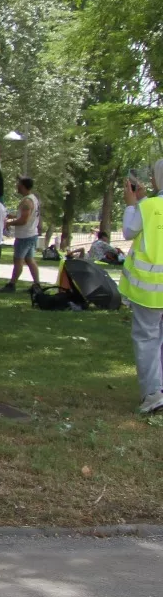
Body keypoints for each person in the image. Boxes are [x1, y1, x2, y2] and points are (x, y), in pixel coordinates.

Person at [119, 161, 163, 414]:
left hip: (150, 290)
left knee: (147, 338)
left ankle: (152, 394)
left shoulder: (148, 207)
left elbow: (128, 231)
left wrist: (131, 204)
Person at [1, 176, 42, 292]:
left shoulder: (27, 201)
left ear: (23, 186)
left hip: (25, 235)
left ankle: (12, 285)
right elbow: (27, 216)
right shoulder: (33, 199)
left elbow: (24, 220)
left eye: (18, 184)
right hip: (31, 234)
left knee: (18, 260)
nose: (17, 186)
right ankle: (37, 285)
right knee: (30, 260)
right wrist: (13, 216)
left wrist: (9, 223)